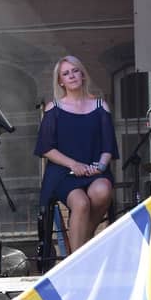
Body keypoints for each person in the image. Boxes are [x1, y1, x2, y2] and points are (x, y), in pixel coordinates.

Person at [34, 55, 118, 252]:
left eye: (75, 71)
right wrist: (73, 164)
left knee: (102, 191)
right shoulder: (53, 108)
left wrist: (100, 166)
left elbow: (108, 147)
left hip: (94, 170)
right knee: (81, 203)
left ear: (83, 75)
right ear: (60, 81)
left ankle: (82, 241)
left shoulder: (100, 107)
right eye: (66, 73)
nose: (71, 76)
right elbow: (46, 148)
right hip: (64, 173)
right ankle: (77, 257)